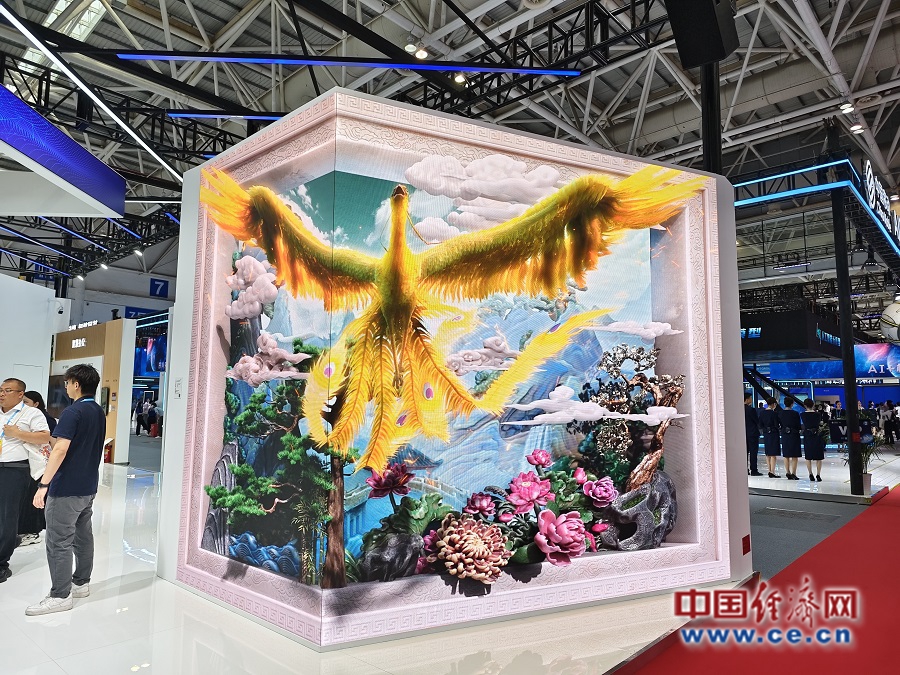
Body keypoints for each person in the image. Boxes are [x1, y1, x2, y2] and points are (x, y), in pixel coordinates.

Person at [26, 364, 105, 616]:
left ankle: (60, 595)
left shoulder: (73, 411)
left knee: (58, 541)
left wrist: (44, 484)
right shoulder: (97, 410)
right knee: (83, 536)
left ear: (76, 384)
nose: (67, 387)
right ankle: (81, 583)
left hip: (67, 488)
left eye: (68, 383)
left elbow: (60, 450)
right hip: (88, 486)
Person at [0, 378, 50, 583]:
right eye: (1, 390)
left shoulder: (31, 413)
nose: (2, 394)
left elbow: (44, 437)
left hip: (14, 469)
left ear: (20, 394)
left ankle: (1, 563)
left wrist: (18, 433)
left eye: (7, 390)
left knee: (7, 516)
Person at [18, 391, 56, 547]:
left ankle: (32, 532)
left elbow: (51, 441)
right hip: (28, 463)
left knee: (33, 500)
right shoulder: (23, 416)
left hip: (39, 465)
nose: (23, 405)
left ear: (36, 403)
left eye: (26, 401)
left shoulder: (46, 419)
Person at [777, 396, 803, 480]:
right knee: (794, 455)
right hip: (794, 434)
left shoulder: (780, 413)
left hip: (785, 434)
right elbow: (798, 425)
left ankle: (787, 472)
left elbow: (779, 424)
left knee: (786, 454)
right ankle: (793, 473)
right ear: (792, 404)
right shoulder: (795, 413)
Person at [801, 399, 825, 482]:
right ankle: (818, 474)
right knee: (819, 456)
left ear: (805, 405)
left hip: (807, 435)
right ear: (813, 405)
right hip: (816, 435)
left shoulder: (802, 415)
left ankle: (810, 474)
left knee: (808, 456)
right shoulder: (818, 414)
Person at [758, 397, 782, 478]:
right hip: (773, 433)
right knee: (773, 453)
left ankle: (769, 470)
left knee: (768, 453)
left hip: (766, 433)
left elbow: (760, 424)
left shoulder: (762, 413)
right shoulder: (774, 413)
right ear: (773, 404)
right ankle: (772, 471)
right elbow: (776, 424)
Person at [744, 393, 762, 476]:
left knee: (745, 452)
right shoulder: (751, 410)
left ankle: (745, 469)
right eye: (750, 398)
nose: (751, 399)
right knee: (753, 452)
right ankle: (754, 470)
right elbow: (756, 420)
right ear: (747, 399)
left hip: (744, 433)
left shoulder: (739, 409)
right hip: (752, 433)